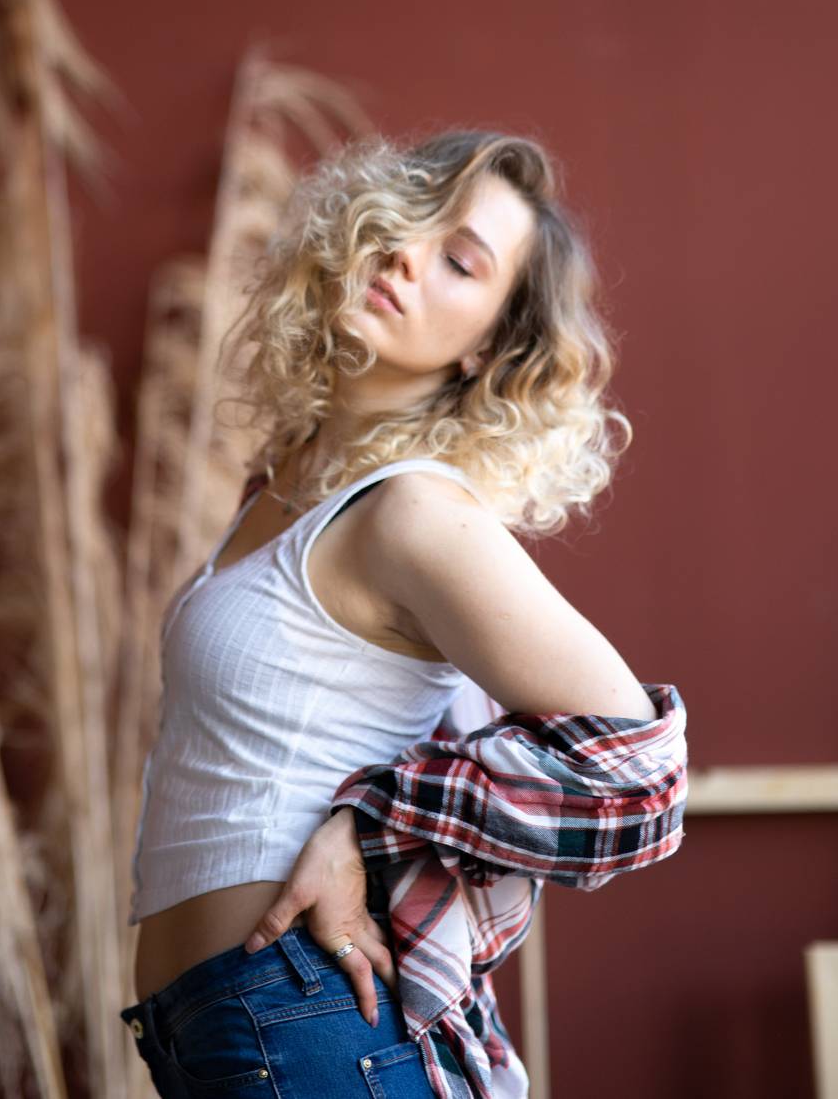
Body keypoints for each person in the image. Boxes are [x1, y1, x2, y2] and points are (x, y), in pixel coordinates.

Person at [119, 128, 687, 1098]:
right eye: (409, 221)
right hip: (211, 1031)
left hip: (307, 1023)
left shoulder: (412, 512)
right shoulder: (286, 484)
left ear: (486, 349)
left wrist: (372, 821)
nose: (404, 256)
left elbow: (642, 781)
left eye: (460, 262)